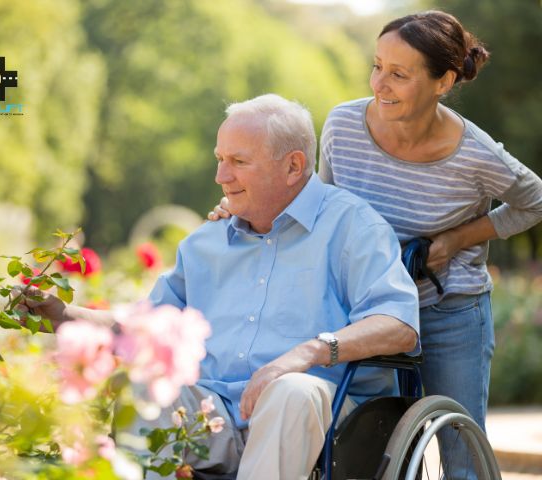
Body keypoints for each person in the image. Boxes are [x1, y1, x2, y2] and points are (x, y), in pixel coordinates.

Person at [207, 10, 542, 479]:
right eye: (377, 65)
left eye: (399, 74)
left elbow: (535, 202)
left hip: (446, 306)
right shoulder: (344, 125)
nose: (379, 83)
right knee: (359, 444)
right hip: (362, 303)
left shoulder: (475, 154)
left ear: (443, 81)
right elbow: (315, 204)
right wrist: (242, 205)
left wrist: (458, 238)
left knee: (459, 455)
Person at [23, 94, 420, 479]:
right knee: (144, 387)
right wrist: (66, 315)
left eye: (238, 162)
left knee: (292, 390)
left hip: (325, 423)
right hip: (215, 417)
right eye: (220, 160)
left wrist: (307, 353)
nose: (221, 176)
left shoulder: (353, 227)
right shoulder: (204, 243)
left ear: (293, 166)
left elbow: (398, 324)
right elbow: (147, 327)